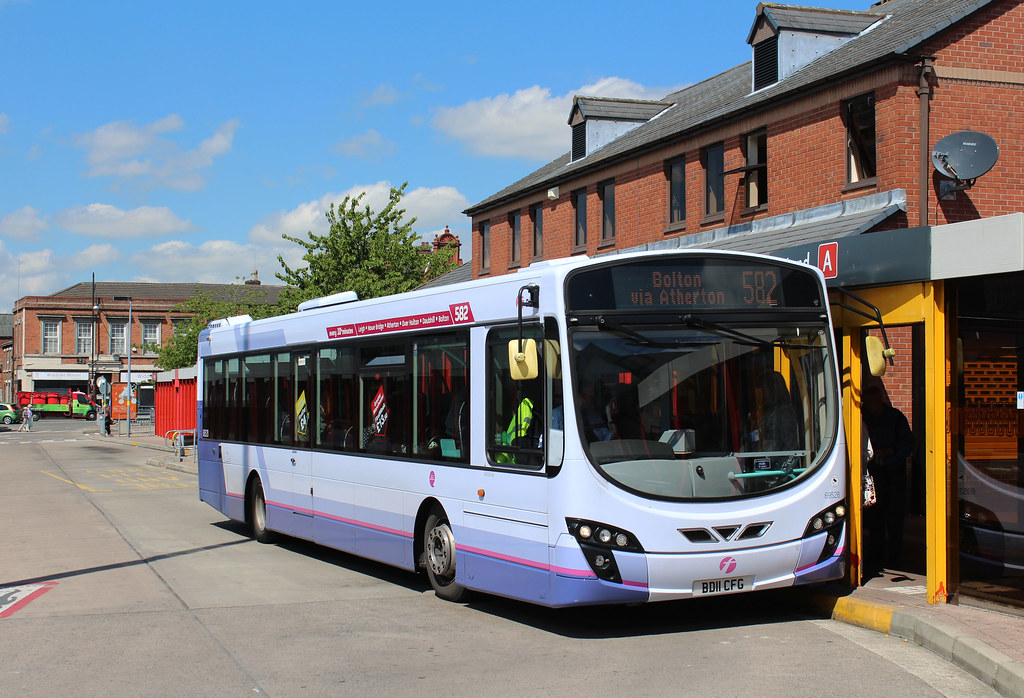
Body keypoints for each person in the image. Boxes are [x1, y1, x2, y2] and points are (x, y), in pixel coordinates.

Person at [862, 379, 914, 575]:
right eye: (866, 403)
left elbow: (909, 443)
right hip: (873, 475)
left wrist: (892, 451)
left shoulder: (895, 418)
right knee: (874, 516)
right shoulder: (863, 418)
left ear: (880, 400)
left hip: (893, 474)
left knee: (894, 517)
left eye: (872, 402)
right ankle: (876, 554)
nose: (869, 406)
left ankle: (895, 555)